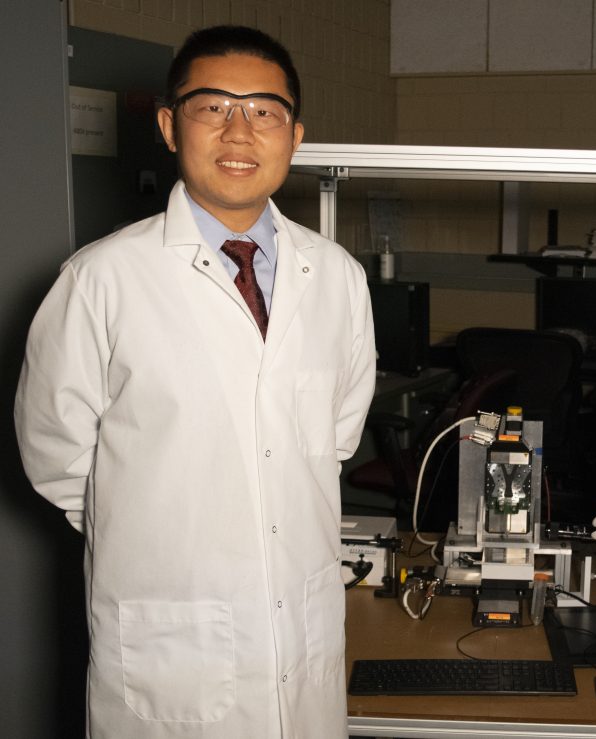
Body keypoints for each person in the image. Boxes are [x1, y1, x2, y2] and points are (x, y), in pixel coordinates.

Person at [14, 25, 375, 738]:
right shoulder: (100, 280)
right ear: (168, 123)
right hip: (165, 659)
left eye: (264, 111)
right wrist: (164, 530)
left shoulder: (337, 278)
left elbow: (333, 441)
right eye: (213, 107)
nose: (240, 131)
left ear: (295, 134)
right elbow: (56, 461)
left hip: (302, 651)